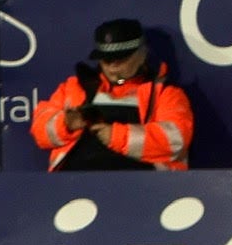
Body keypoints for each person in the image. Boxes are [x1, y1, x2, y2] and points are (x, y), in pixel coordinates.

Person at [30, 18, 194, 171]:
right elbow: (40, 130)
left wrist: (115, 136)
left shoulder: (165, 93)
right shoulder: (75, 87)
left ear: (142, 55)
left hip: (144, 189)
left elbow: (175, 140)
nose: (112, 67)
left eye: (121, 59)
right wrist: (66, 124)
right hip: (75, 187)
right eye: (106, 60)